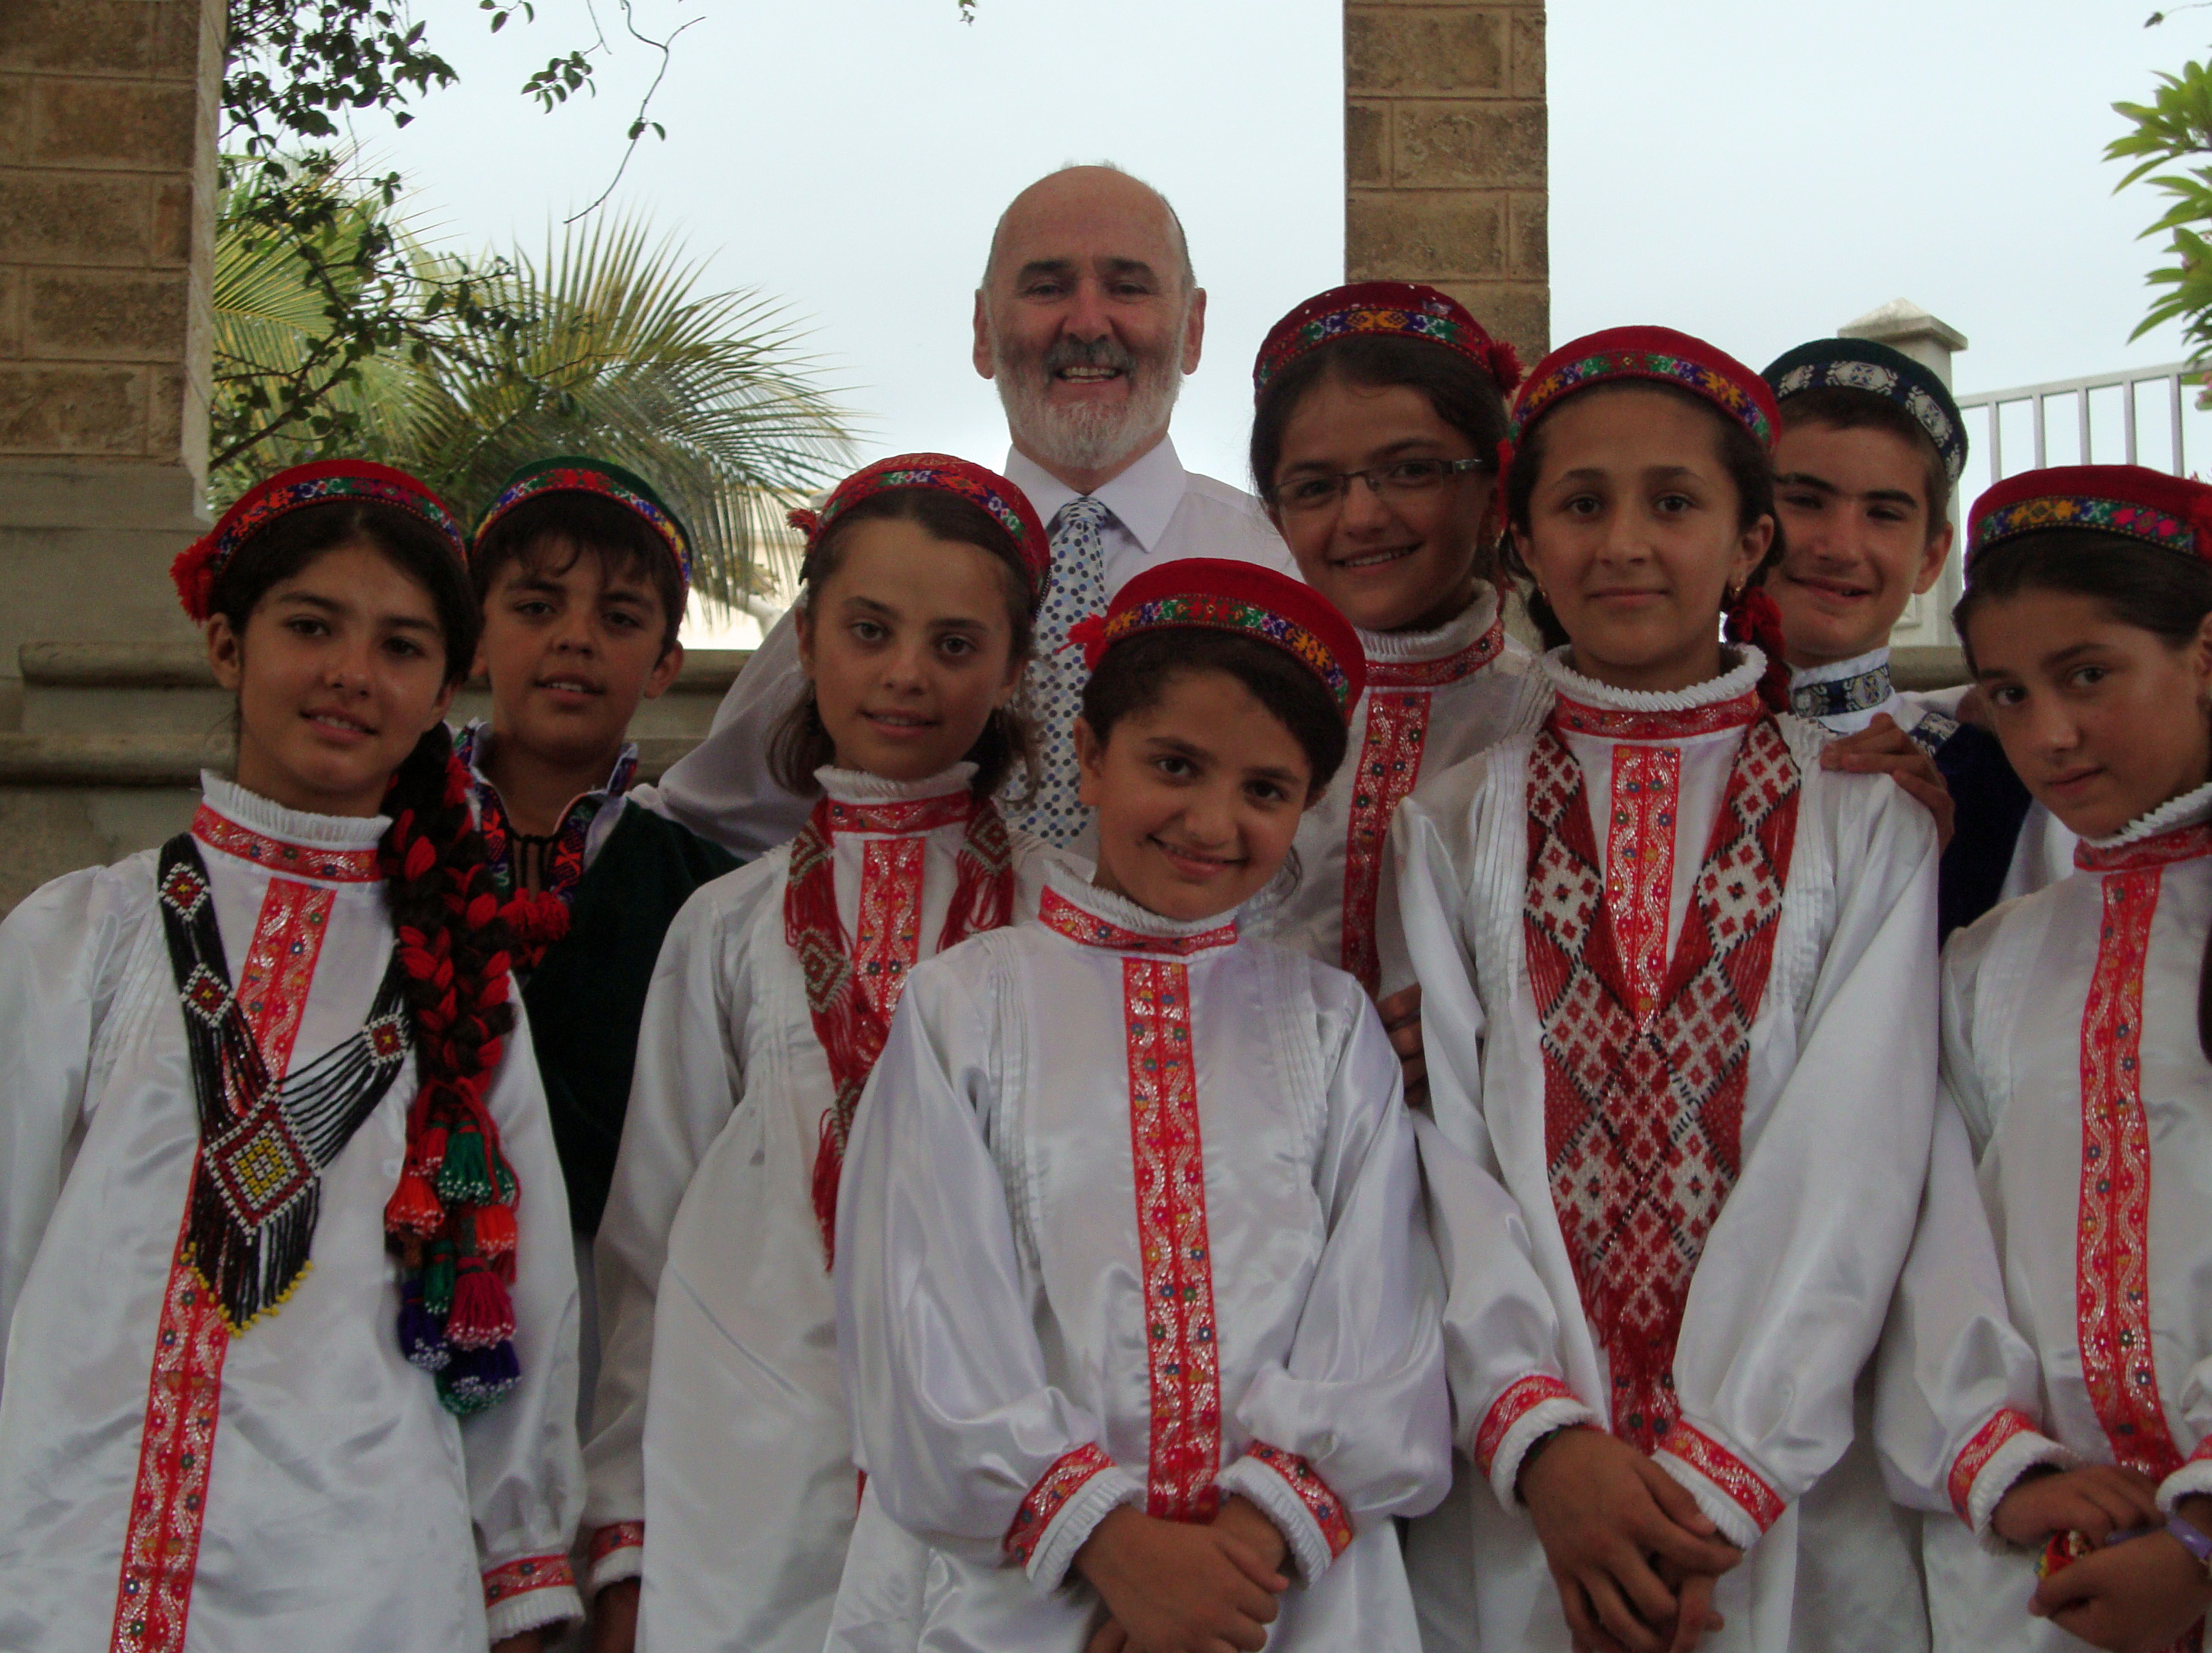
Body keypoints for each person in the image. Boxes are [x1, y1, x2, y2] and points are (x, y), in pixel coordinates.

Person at [0, 462, 583, 1652]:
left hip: (362, 1592)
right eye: (310, 627)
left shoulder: (462, 985)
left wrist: (518, 1579)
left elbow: (529, 1318)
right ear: (224, 644)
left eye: (401, 647)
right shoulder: (79, 935)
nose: (352, 673)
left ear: (443, 688)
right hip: (65, 1573)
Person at [1389, 329, 1942, 1653]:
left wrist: (1722, 1475)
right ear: (1519, 542)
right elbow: (1448, 1158)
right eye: (1580, 503)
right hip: (1531, 1493)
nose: (1623, 541)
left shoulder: (1862, 818)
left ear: (1749, 541)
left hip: (1785, 1488)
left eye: (1672, 501)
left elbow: (1856, 1163)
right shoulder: (1456, 823)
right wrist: (1547, 1440)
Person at [827, 559, 1450, 1651]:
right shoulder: (967, 1007)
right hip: (1021, 1593)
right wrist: (1115, 1550)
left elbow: (1380, 1320)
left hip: (1281, 1598)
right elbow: (924, 1320)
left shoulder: (1326, 1023)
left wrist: (1228, 1567)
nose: (1214, 821)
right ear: (1090, 756)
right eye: (1176, 765)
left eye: (1265, 791)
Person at [579, 456, 1055, 1653]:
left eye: (956, 644)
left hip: (1014, 1469)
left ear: (1014, 669)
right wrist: (626, 1523)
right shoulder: (726, 926)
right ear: (808, 641)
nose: (906, 673)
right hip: (751, 1463)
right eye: (870, 630)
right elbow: (645, 1236)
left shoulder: (1069, 919)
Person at [1875, 465, 2212, 1652]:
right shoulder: (1989, 960)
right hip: (2037, 1562)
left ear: (2210, 655)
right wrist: (2004, 1461)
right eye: (2008, 692)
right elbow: (1931, 1234)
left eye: (2089, 676)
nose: (2050, 733)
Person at [644, 164, 1295, 859]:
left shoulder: (1280, 572)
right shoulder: (886, 555)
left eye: (1127, 288)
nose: (1085, 321)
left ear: (1191, 329)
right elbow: (708, 821)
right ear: (984, 330)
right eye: (1046, 288)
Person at [454, 457, 740, 1405]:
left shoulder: (712, 899)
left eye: (620, 619)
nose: (575, 638)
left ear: (665, 663)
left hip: (614, 1338)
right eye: (537, 606)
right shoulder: (373, 855)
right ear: (476, 634)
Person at [1243, 281, 1533, 994]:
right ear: (1277, 517)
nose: (1363, 516)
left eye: (1410, 472)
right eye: (1315, 487)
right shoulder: (1232, 717)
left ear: (1492, 489)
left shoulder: (1546, 722)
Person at [1761, 338, 2069, 936]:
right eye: (1804, 501)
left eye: (1883, 514)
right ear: (1744, 523)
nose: (1839, 547)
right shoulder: (1640, 733)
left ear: (1931, 558)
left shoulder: (1992, 780)